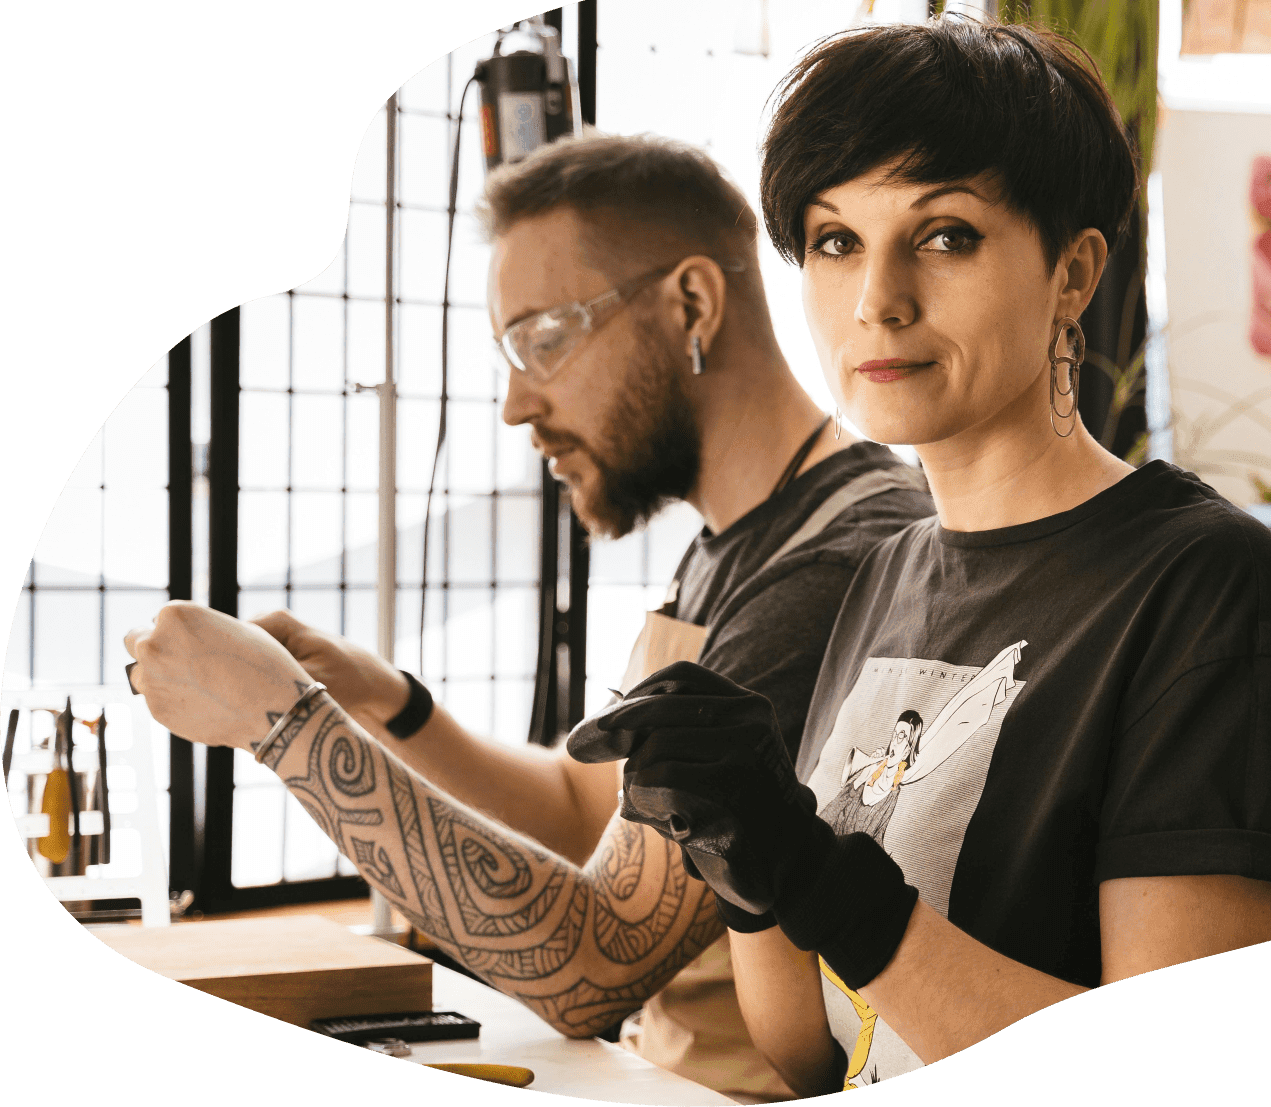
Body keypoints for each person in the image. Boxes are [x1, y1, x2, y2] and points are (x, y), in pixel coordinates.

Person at [566, 15, 1271, 1095]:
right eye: (835, 241)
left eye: (944, 235)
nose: (876, 299)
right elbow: (811, 1049)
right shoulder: (887, 572)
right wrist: (742, 851)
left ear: (1072, 274)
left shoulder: (1206, 591)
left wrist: (817, 875)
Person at [123, 133, 932, 1102]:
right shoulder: (731, 541)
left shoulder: (829, 567)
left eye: (542, 338)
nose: (513, 403)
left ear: (691, 305)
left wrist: (285, 723)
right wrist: (393, 705)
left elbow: (591, 961)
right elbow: (595, 813)